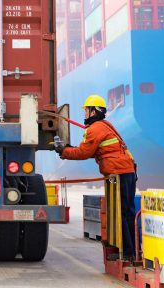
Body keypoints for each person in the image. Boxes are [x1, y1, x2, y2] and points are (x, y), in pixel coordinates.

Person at [54, 94, 137, 260]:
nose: (84, 113)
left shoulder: (95, 129)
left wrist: (63, 151)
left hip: (119, 174)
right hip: (127, 171)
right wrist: (70, 149)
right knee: (127, 211)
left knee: (121, 213)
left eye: (86, 110)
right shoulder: (106, 125)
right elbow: (95, 151)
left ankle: (127, 253)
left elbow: (84, 152)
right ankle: (131, 251)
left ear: (93, 112)